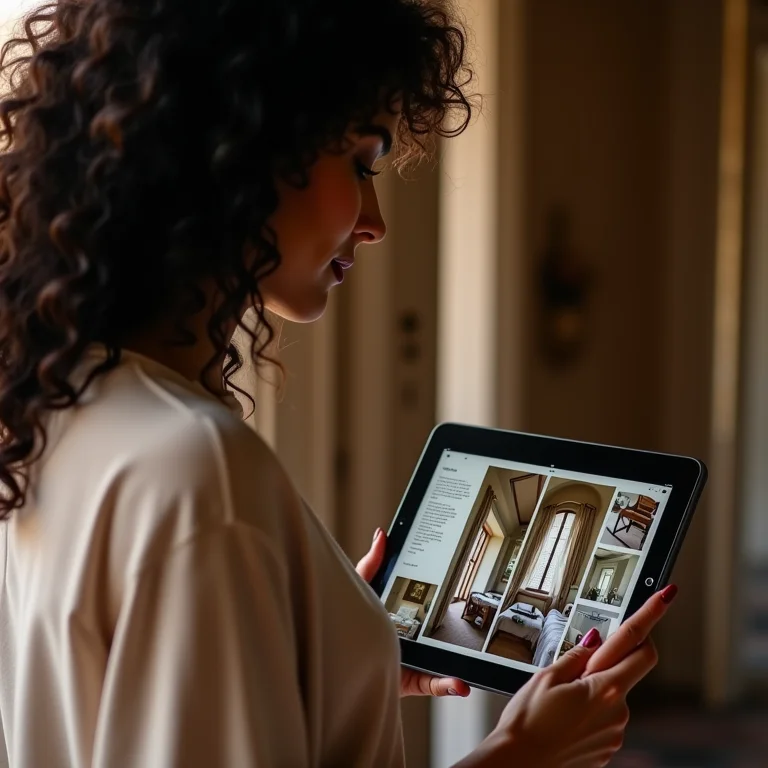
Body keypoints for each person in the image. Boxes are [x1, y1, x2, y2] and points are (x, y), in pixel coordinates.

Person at [0, 0, 677, 766]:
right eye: (362, 162)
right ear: (236, 152)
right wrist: (524, 753)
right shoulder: (197, 469)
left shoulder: (65, 403)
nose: (376, 220)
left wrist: (334, 649)